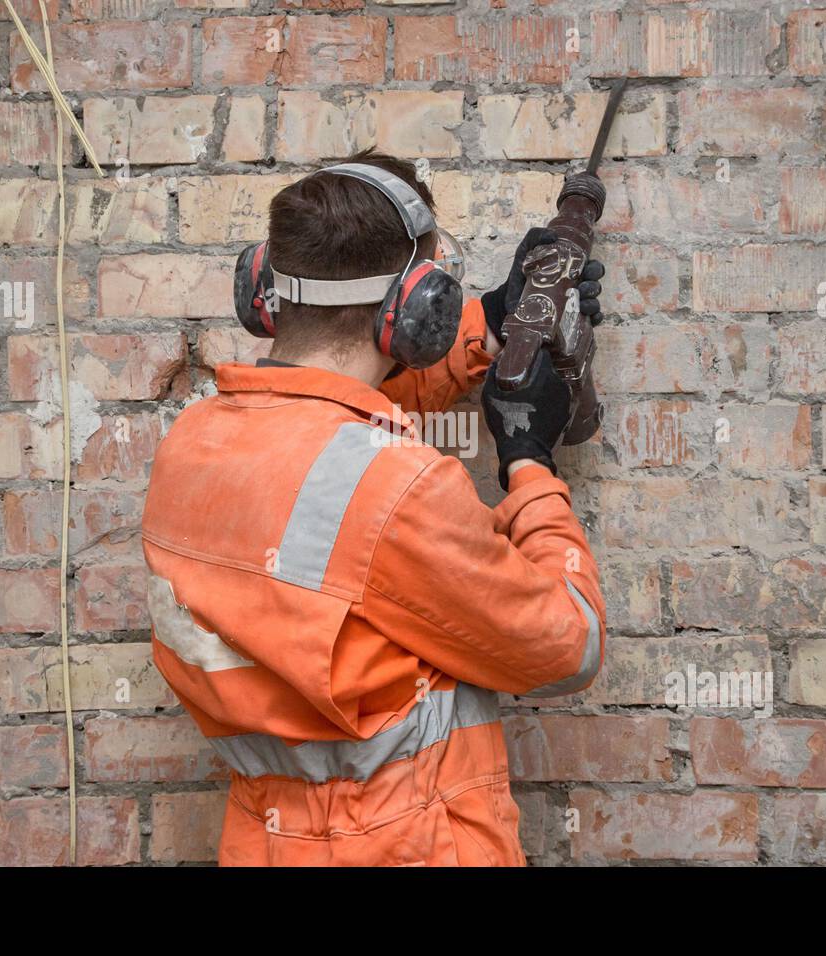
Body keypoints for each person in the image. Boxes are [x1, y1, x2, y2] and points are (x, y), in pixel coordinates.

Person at [141, 148, 607, 866]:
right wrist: (528, 458)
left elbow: (320, 434)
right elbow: (567, 649)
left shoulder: (190, 447)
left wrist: (488, 323)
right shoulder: (401, 489)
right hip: (411, 846)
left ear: (263, 283)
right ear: (420, 307)